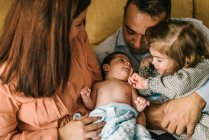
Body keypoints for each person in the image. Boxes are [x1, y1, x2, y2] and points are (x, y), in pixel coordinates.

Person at [93, 0, 209, 139]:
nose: (137, 43)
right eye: (130, 31)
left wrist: (200, 97)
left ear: (167, 21)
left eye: (148, 34)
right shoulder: (103, 56)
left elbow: (203, 66)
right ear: (124, 15)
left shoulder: (190, 31)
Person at [0, 0, 106, 139]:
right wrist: (61, 135)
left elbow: (98, 80)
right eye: (79, 23)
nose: (82, 30)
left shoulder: (78, 38)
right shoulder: (7, 76)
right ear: (52, 28)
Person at [128, 20, 209, 139]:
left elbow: (178, 85)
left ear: (186, 59)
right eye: (152, 57)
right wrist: (143, 71)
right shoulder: (166, 71)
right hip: (176, 127)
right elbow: (145, 90)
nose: (154, 62)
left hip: (201, 118)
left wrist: (146, 83)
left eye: (159, 60)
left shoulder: (200, 67)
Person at [80, 52, 152, 139]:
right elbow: (91, 106)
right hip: (101, 116)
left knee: (125, 133)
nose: (128, 63)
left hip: (124, 116)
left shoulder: (129, 86)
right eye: (121, 60)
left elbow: (135, 105)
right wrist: (86, 97)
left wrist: (140, 105)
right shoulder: (98, 85)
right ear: (106, 67)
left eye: (130, 64)